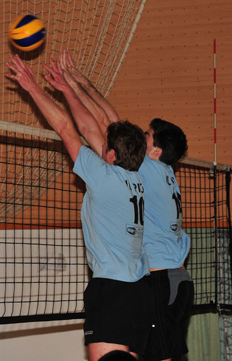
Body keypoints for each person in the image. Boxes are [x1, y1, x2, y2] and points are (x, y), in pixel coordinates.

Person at [6, 54, 152, 361]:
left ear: (110, 155)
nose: (99, 143)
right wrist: (67, 89)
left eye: (105, 146)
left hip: (112, 288)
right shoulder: (137, 177)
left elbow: (65, 128)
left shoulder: (103, 177)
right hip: (139, 289)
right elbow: (92, 127)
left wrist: (32, 87)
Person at [58, 51, 192, 361]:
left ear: (154, 151)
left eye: (147, 136)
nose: (142, 137)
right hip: (179, 279)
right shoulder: (166, 172)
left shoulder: (146, 167)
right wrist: (81, 83)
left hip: (160, 279)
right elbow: (111, 120)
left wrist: (73, 86)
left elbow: (104, 124)